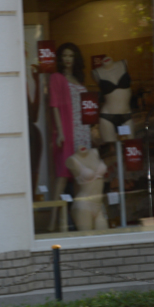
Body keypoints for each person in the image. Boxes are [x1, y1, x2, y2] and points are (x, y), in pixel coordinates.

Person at [48, 42, 88, 230]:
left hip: (82, 130)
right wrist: (60, 132)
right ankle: (52, 221)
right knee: (62, 175)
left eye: (71, 56)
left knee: (81, 176)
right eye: (64, 55)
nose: (67, 59)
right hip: (67, 130)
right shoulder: (56, 78)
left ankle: (80, 220)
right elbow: (54, 105)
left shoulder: (79, 80)